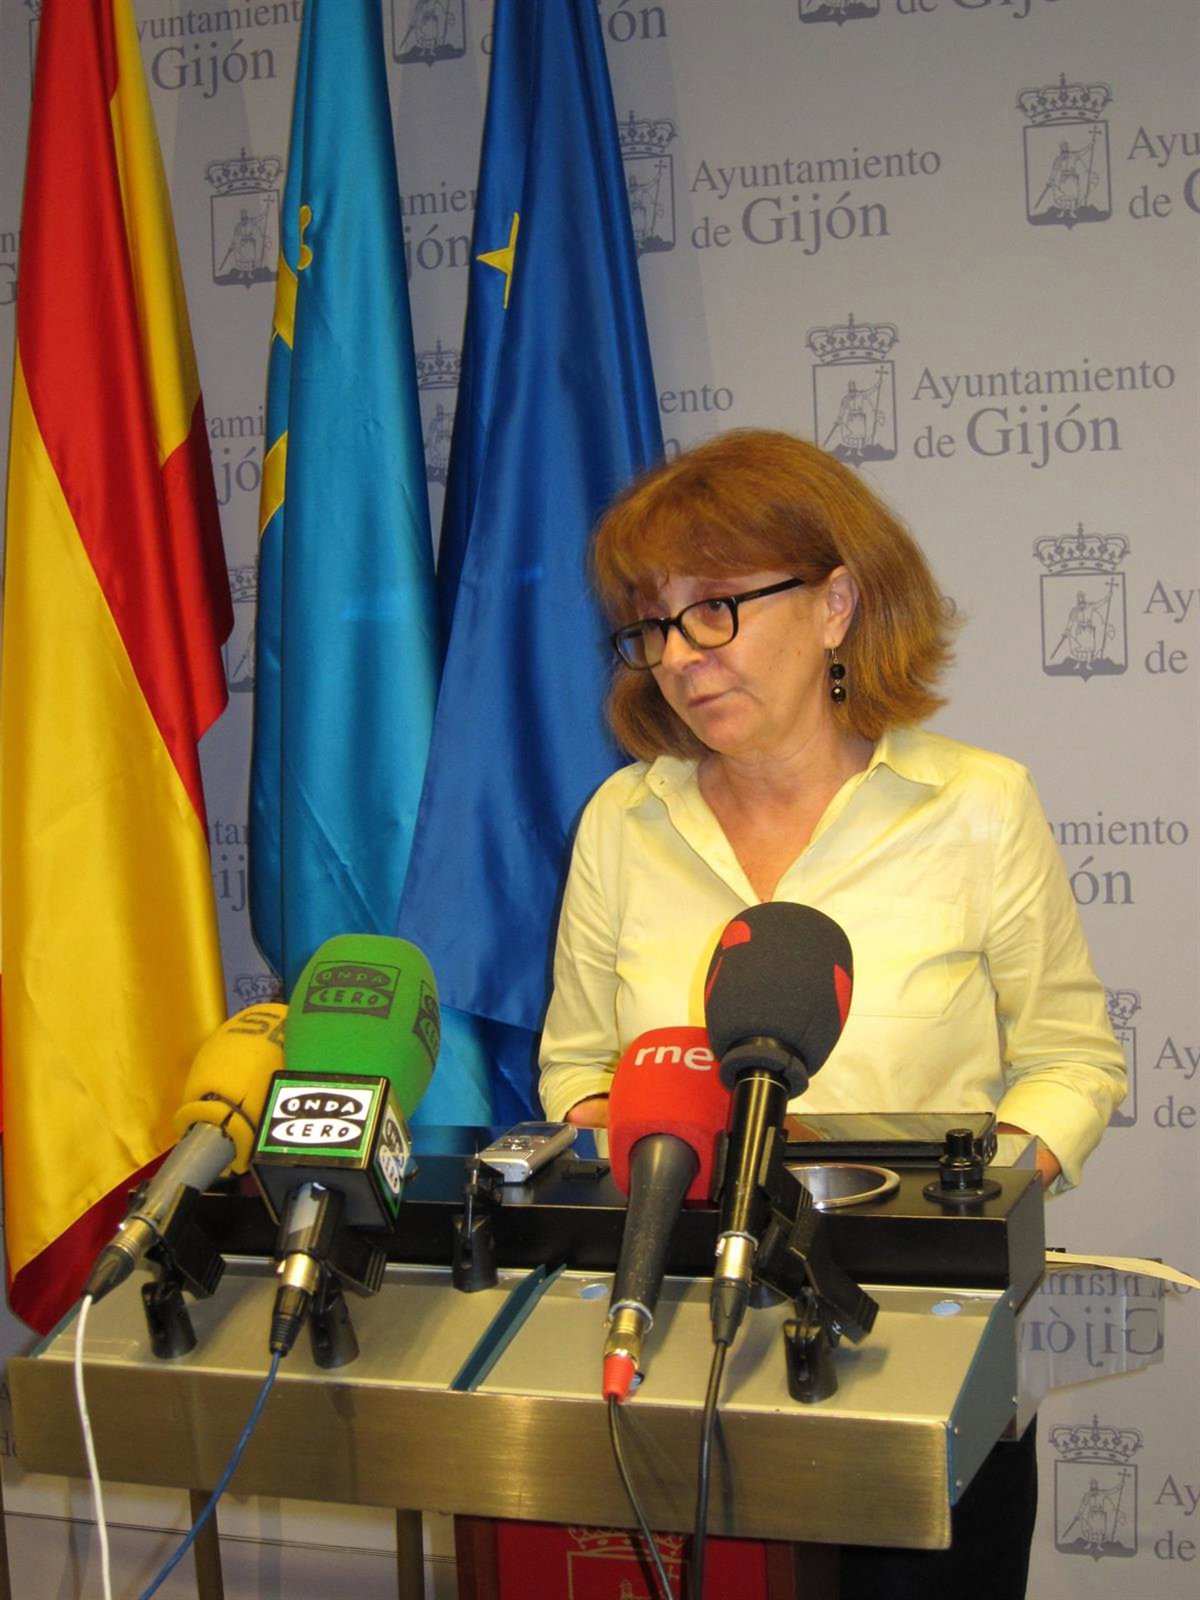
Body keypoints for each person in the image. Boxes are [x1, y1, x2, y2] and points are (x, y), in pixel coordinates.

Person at [537, 429, 1125, 1596]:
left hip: (923, 1341)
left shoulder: (977, 804)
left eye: (716, 609)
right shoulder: (622, 821)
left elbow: (1072, 1061)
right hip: (682, 1346)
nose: (680, 655)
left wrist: (972, 1204)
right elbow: (577, 1069)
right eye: (655, 623)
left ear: (837, 604)